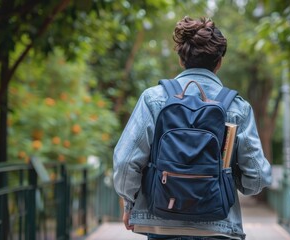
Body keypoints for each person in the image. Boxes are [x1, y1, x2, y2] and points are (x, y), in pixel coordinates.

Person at [113, 16, 272, 240]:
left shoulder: (153, 99)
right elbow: (256, 178)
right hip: (220, 226)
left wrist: (129, 204)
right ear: (219, 62)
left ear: (181, 60)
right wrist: (222, 175)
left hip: (161, 223)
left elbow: (125, 161)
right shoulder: (238, 108)